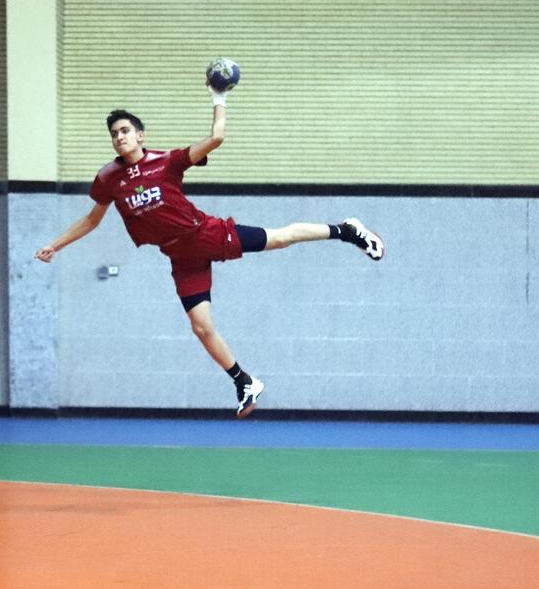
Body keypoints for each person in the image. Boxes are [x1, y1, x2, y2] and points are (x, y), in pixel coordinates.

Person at [35, 81, 384, 417]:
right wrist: (55, 245)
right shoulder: (109, 178)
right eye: (114, 134)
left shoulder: (167, 161)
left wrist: (219, 97)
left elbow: (216, 138)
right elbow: (92, 220)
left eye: (125, 130)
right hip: (179, 256)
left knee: (279, 238)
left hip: (206, 234)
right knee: (201, 327)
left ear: (140, 135)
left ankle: (346, 230)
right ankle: (245, 382)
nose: (119, 137)